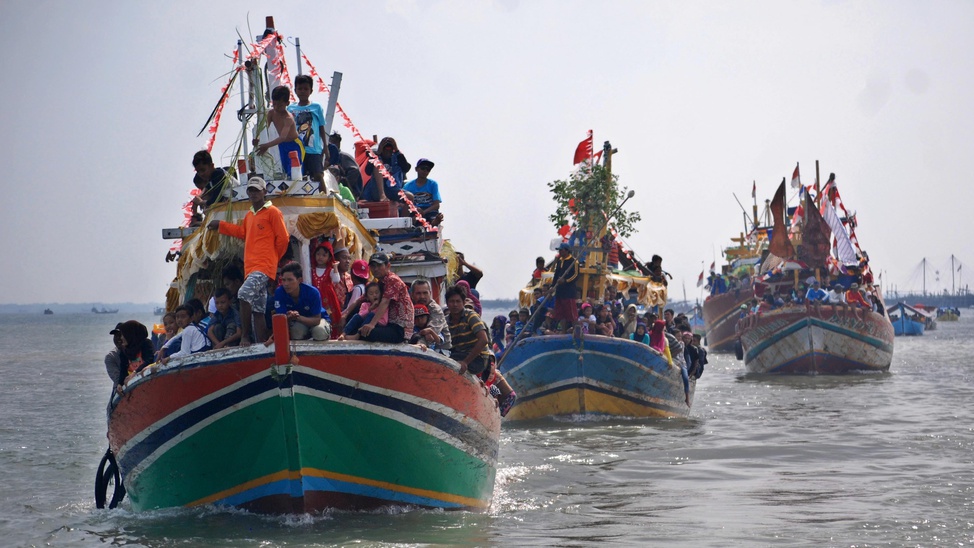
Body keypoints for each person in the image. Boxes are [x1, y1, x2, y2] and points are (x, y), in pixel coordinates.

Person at [207, 177, 289, 345]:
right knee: (258, 309)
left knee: (243, 294)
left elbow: (283, 239)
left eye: (257, 190)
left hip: (264, 266)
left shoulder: (273, 212)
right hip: (252, 267)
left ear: (264, 192)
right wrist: (221, 225)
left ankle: (245, 336)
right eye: (251, 190)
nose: (254, 193)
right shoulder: (250, 214)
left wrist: (273, 261)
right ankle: (262, 343)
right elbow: (242, 233)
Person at [358, 252, 413, 343]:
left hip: (399, 328)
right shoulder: (380, 283)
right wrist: (344, 315)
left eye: (379, 266)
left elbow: (385, 302)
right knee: (360, 325)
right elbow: (361, 299)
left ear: (388, 266)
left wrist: (372, 324)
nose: (375, 269)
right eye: (373, 266)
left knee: (366, 333)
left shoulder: (393, 280)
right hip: (388, 324)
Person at [253, 85, 302, 178]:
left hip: (294, 144)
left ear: (287, 103)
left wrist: (267, 145)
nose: (276, 107)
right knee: (284, 167)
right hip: (282, 145)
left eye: (280, 105)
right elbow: (264, 128)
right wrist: (257, 138)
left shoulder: (288, 118)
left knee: (294, 168)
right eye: (274, 104)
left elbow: (283, 137)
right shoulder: (271, 113)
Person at [274, 262, 331, 341]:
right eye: (283, 280)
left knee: (319, 331)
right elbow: (281, 319)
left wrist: (298, 317)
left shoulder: (312, 292)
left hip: (317, 320)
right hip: (298, 323)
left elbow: (317, 320)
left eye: (290, 280)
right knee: (297, 331)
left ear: (299, 280)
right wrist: (289, 317)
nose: (286, 284)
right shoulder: (279, 292)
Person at [287, 74, 327, 185]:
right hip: (298, 148)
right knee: (299, 176)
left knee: (318, 175)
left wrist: (325, 146)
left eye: (306, 89)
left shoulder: (316, 107)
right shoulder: (290, 108)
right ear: (295, 90)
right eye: (300, 89)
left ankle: (323, 197)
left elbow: (321, 126)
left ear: (311, 91)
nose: (303, 91)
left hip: (313, 149)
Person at [309, 241, 344, 338]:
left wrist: (335, 267)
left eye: (324, 255)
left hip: (328, 299)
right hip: (315, 298)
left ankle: (332, 335)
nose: (320, 257)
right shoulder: (311, 270)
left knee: (331, 317)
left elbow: (336, 280)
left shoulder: (330, 270)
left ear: (329, 258)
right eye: (318, 254)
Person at [362, 136, 411, 205]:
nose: (388, 151)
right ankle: (382, 195)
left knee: (409, 197)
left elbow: (406, 168)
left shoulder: (397, 158)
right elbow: (368, 171)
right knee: (378, 163)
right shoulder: (376, 157)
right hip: (376, 190)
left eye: (390, 148)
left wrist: (396, 150)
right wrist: (378, 152)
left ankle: (404, 215)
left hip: (392, 189)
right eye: (385, 148)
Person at [410, 278, 451, 352]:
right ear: (412, 295)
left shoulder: (435, 309)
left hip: (441, 350)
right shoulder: (410, 307)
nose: (422, 296)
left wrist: (419, 345)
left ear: (430, 293)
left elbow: (430, 333)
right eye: (418, 293)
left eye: (425, 293)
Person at [114, 320, 155, 392]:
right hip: (133, 384)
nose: (121, 338)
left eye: (123, 335)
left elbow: (149, 360)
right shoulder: (124, 350)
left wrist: (135, 373)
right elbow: (123, 369)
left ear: (130, 334)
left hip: (148, 379)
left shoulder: (146, 343)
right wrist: (120, 384)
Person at [402, 158, 443, 226]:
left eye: (428, 169)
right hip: (415, 210)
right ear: (416, 169)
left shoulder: (433, 184)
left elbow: (436, 205)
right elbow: (402, 202)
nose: (425, 171)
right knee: (413, 219)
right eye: (423, 168)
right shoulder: (408, 186)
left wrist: (423, 212)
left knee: (432, 216)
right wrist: (416, 210)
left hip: (429, 210)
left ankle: (434, 222)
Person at [550, 242, 579, 333]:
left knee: (571, 313)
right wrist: (552, 286)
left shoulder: (573, 261)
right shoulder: (560, 261)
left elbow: (576, 275)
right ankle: (563, 331)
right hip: (560, 291)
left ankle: (576, 331)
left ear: (566, 251)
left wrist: (565, 281)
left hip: (569, 291)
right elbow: (556, 275)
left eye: (561, 250)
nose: (560, 252)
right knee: (560, 313)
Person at [328, 132, 364, 199]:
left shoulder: (343, 156)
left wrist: (342, 183)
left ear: (337, 143)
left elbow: (355, 171)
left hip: (350, 191)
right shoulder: (330, 157)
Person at [332, 246, 353, 311]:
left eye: (349, 258)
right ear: (335, 259)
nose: (347, 261)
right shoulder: (329, 277)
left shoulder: (350, 278)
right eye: (344, 258)